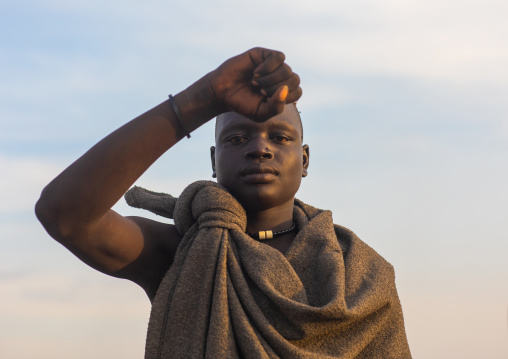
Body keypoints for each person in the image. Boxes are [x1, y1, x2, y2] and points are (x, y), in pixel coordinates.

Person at [36, 48, 411, 358]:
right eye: (237, 139)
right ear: (214, 162)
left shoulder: (362, 277)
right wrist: (203, 99)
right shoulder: (182, 253)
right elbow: (64, 215)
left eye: (280, 138)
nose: (260, 148)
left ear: (306, 160)